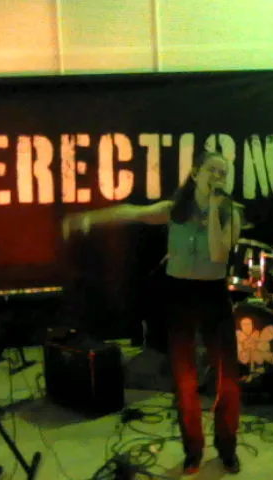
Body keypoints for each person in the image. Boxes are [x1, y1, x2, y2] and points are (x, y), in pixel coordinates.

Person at [63, 151, 242, 475]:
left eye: (223, 173)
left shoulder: (232, 213)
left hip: (213, 296)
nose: (219, 177)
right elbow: (131, 212)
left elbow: (218, 253)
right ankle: (193, 451)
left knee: (227, 380)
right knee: (185, 381)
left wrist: (216, 210)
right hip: (180, 296)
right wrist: (89, 218)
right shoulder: (174, 210)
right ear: (196, 173)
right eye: (212, 170)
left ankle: (227, 448)